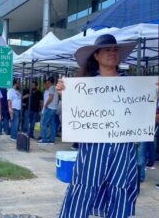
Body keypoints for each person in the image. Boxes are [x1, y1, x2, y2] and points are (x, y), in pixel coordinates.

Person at [58, 34, 139, 218]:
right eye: (107, 49)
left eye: (115, 49)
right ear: (96, 55)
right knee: (83, 186)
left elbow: (144, 119)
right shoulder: (84, 85)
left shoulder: (132, 85)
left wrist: (154, 96)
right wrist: (65, 94)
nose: (112, 53)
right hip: (92, 147)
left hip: (123, 148)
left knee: (120, 188)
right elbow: (74, 116)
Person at [38, 77, 59, 144]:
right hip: (54, 108)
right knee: (52, 124)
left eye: (47, 82)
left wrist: (46, 104)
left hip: (50, 108)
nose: (47, 84)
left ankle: (44, 139)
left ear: (49, 82)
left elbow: (51, 97)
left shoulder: (51, 88)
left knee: (43, 123)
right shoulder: (55, 88)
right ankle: (52, 139)